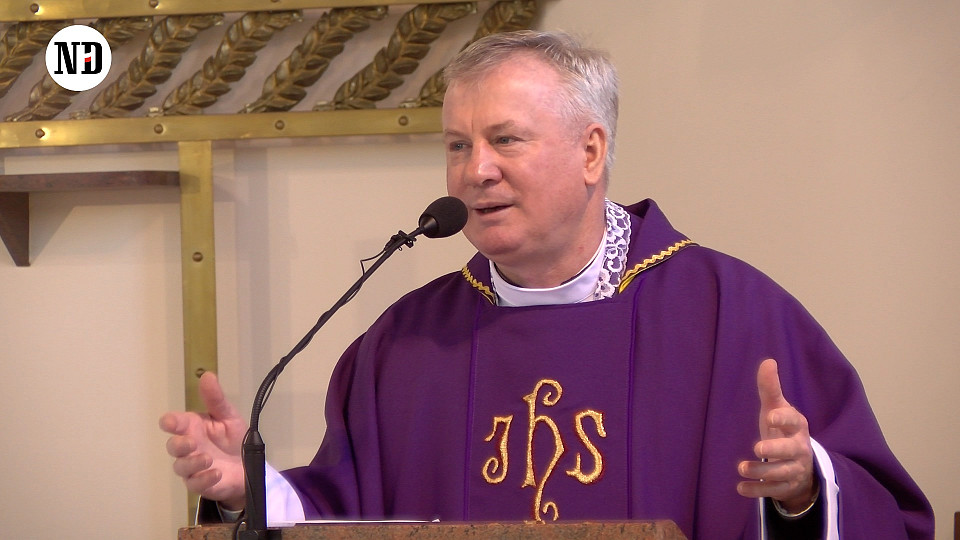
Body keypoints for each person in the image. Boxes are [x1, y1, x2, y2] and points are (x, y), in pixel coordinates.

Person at [160, 30, 933, 539]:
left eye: (504, 140)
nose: (476, 170)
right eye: (457, 145)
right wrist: (248, 492)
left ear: (591, 152)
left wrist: (803, 492)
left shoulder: (731, 317)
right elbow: (343, 515)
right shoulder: (405, 345)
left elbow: (881, 512)